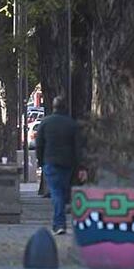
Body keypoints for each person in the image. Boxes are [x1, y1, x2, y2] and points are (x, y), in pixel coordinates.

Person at [35, 95, 87, 235]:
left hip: (50, 162)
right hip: (67, 164)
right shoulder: (72, 124)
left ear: (53, 107)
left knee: (57, 192)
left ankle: (59, 224)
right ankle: (60, 222)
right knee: (62, 192)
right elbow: (78, 147)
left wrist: (40, 162)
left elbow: (39, 144)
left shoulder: (45, 123)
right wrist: (81, 166)